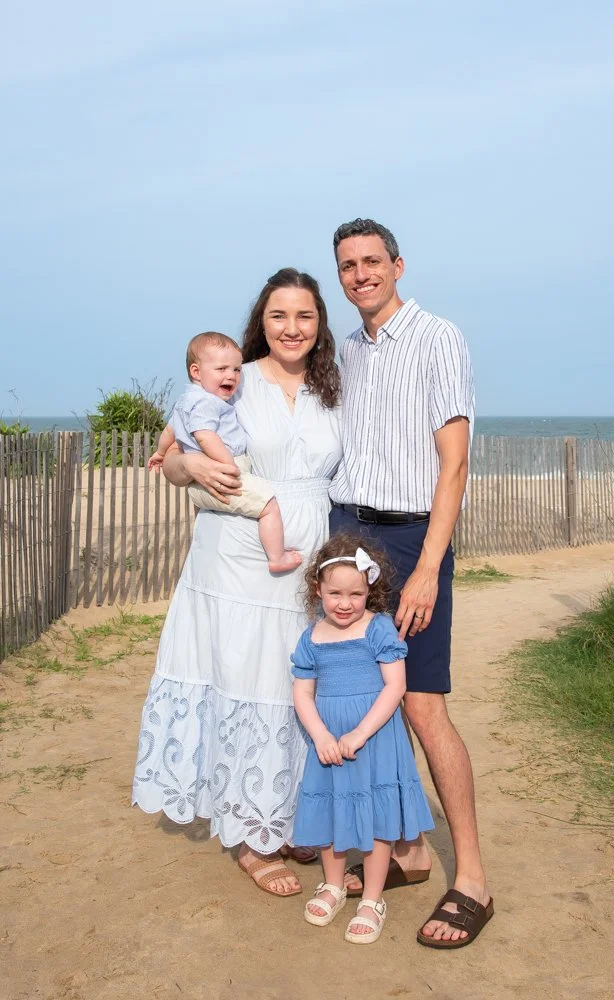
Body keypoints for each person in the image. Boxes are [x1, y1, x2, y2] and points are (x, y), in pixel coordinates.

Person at [132, 268, 341, 896]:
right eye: (279, 316)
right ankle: (250, 835)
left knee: (295, 681)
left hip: (309, 550)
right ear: (262, 321)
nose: (292, 328)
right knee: (245, 677)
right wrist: (186, 460)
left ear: (318, 323)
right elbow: (170, 460)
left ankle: (288, 815)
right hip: (235, 555)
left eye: (304, 316)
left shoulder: (335, 386)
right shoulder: (233, 377)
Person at [328, 218, 494, 949]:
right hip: (349, 533)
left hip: (410, 537)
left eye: (371, 261)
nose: (360, 274)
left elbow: (453, 464)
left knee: (424, 708)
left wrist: (427, 566)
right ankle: (412, 850)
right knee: (372, 704)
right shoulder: (347, 351)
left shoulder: (437, 337)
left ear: (398, 265)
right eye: (347, 265)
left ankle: (474, 882)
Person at [291, 533, 434, 945]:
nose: (344, 602)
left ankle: (372, 899)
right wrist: (320, 736)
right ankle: (333, 886)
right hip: (329, 742)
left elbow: (395, 687)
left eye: (355, 593)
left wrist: (359, 733)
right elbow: (302, 692)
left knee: (375, 815)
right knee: (332, 813)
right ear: (318, 589)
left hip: (372, 739)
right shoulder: (312, 637)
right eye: (334, 592)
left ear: (368, 589)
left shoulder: (379, 629)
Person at [148, 331, 301, 573]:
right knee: (268, 506)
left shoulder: (185, 400)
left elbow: (170, 430)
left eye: (236, 370)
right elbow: (205, 435)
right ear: (196, 372)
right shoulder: (207, 403)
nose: (231, 376)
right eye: (221, 369)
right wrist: (228, 464)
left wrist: (159, 452)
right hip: (224, 470)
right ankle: (277, 557)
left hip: (203, 480)